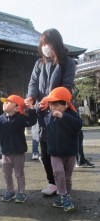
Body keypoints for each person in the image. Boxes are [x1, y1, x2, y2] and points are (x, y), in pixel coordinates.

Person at [25, 28, 76, 196]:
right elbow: (33, 83)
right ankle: (52, 182)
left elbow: (67, 87)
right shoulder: (40, 63)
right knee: (45, 149)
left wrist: (51, 100)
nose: (45, 47)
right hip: (42, 111)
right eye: (43, 44)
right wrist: (31, 97)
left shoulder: (67, 63)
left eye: (48, 43)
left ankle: (64, 182)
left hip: (58, 110)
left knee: (60, 149)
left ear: (56, 43)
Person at [0, 95, 37, 203]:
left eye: (8, 102)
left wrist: (31, 109)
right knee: (6, 174)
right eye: (4, 102)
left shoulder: (21, 118)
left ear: (16, 108)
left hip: (18, 151)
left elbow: (31, 121)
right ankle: (10, 191)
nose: (5, 103)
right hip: (5, 152)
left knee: (19, 174)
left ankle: (21, 192)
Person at [41, 87, 82, 211]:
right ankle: (64, 196)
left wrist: (63, 116)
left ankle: (63, 196)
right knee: (58, 173)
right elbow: (43, 121)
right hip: (55, 152)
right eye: (51, 104)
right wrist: (38, 109)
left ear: (66, 104)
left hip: (70, 152)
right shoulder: (49, 116)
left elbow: (78, 125)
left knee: (67, 177)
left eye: (56, 104)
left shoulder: (72, 115)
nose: (52, 108)